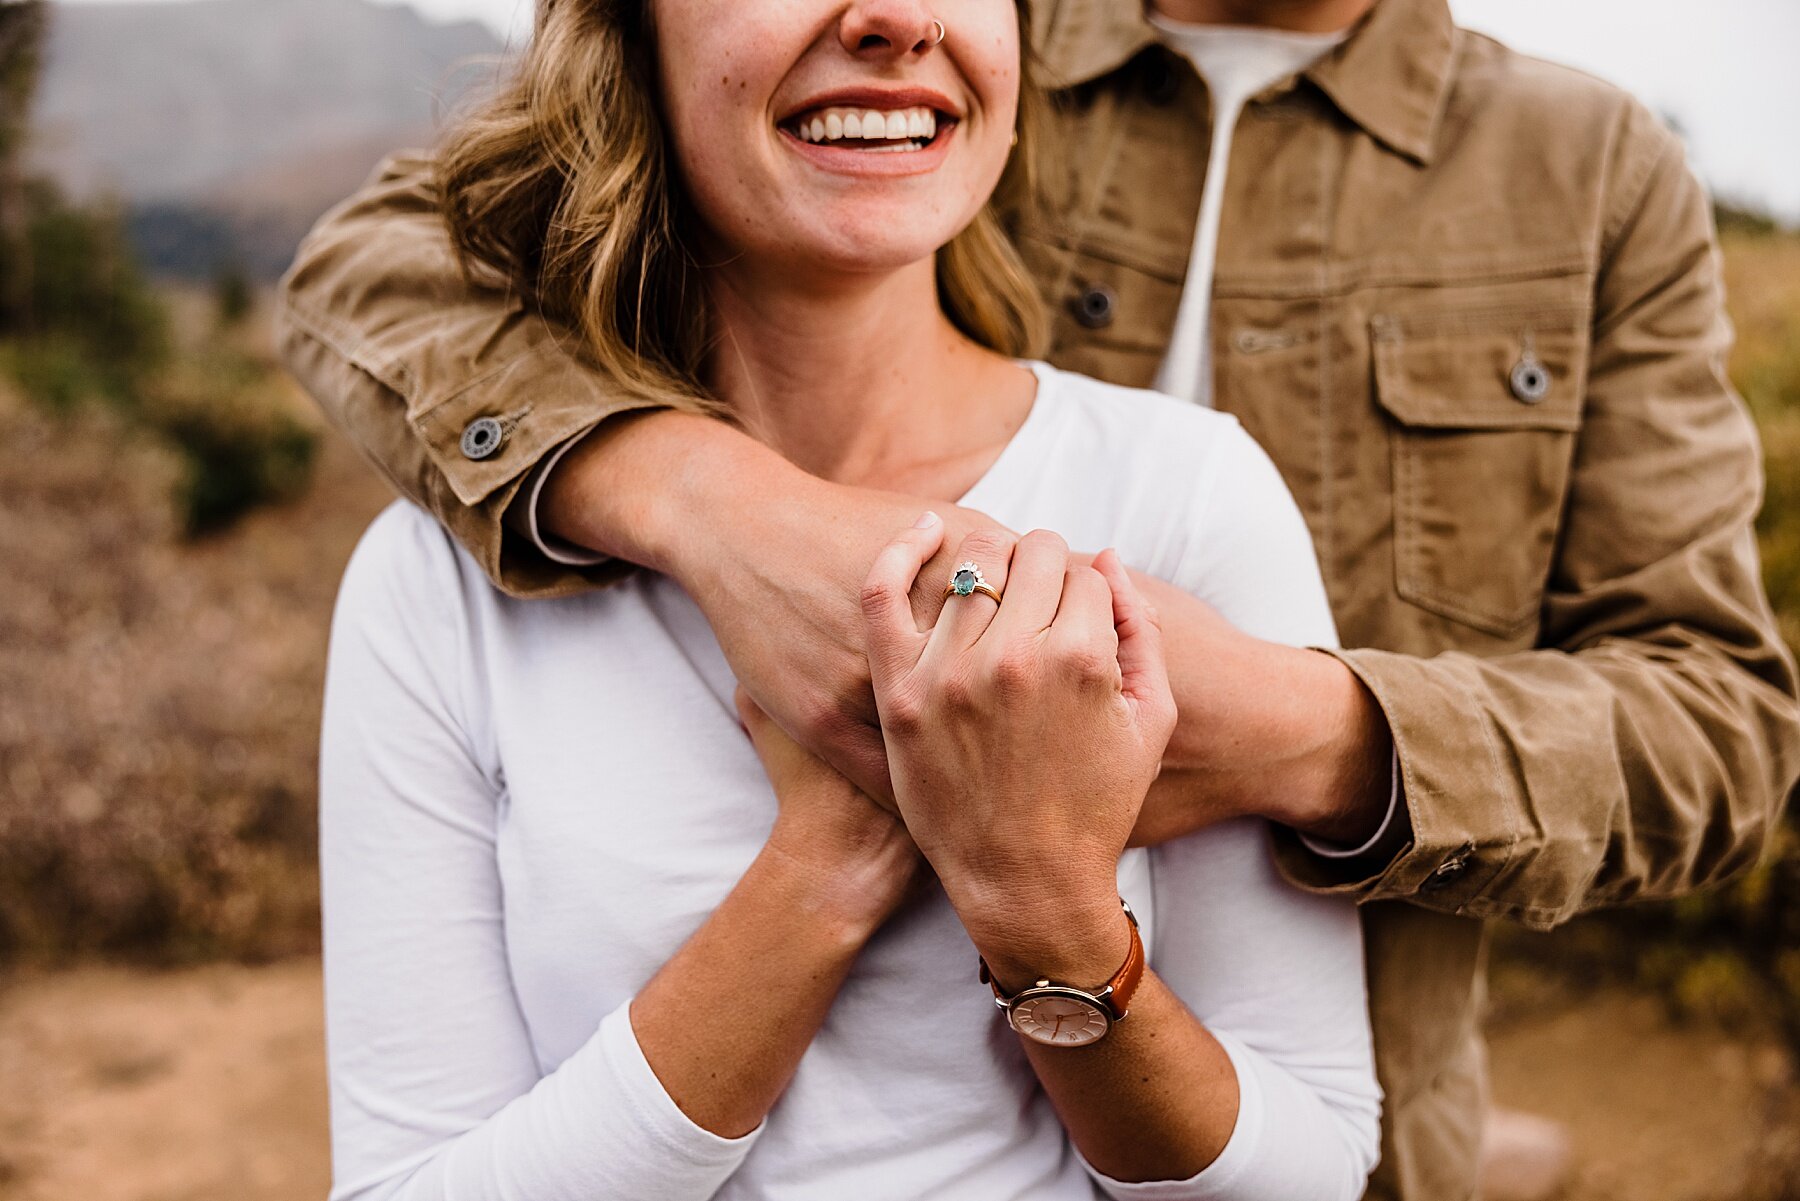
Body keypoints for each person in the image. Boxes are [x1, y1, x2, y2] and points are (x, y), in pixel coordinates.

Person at [281, 0, 1800, 1197]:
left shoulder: (1583, 167)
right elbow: (384, 253)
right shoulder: (947, 55)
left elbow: (1723, 725)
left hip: (1333, 1114)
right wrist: (716, 509)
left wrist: (1265, 727)